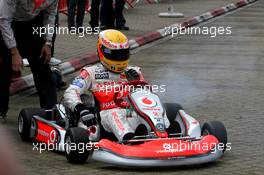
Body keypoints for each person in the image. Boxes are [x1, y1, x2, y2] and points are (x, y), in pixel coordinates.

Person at [63, 29, 160, 142]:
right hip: (105, 117)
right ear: (103, 51)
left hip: (131, 111)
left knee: (155, 110)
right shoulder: (90, 72)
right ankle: (129, 140)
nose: (120, 58)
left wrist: (137, 82)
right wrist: (81, 109)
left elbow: (147, 96)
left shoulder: (133, 72)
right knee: (114, 113)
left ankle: (165, 132)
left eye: (123, 54)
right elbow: (71, 91)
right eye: (116, 55)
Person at [0, 0, 58, 119]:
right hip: (9, 23)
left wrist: (48, 42)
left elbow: (50, 15)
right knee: (5, 67)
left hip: (33, 22)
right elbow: (4, 21)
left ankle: (51, 110)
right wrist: (14, 52)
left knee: (42, 64)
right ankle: (1, 108)